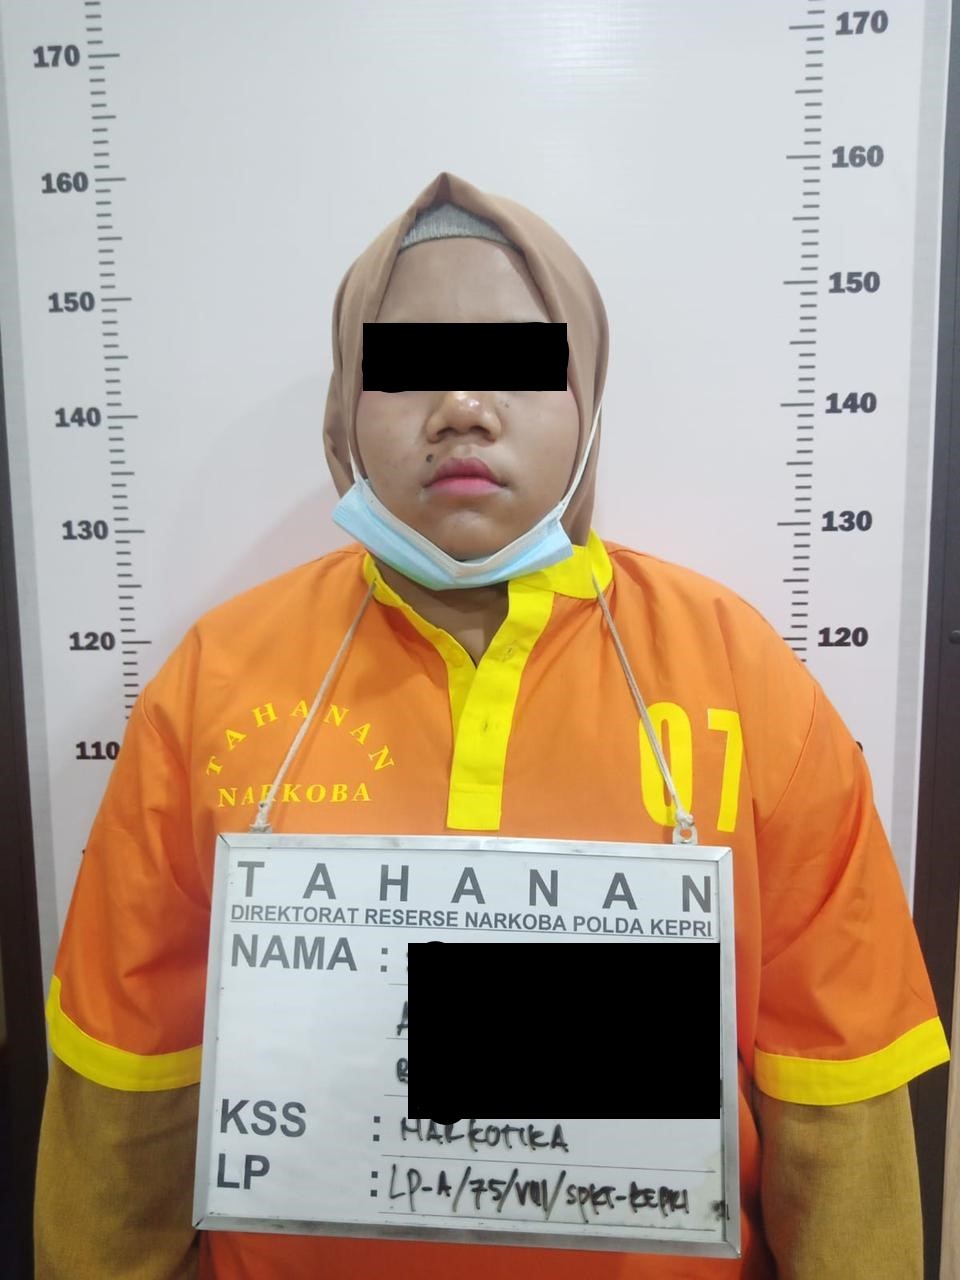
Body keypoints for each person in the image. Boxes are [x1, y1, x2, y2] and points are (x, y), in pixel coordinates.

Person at [34, 170, 949, 1279]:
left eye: (520, 363)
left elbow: (838, 1092)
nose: (463, 407)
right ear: (345, 406)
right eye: (408, 365)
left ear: (589, 401)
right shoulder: (214, 682)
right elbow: (127, 1076)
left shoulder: (740, 678)